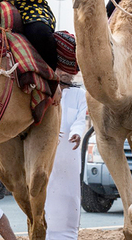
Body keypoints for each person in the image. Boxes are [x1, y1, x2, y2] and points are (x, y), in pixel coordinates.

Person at [44, 71, 88, 239]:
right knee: (47, 190)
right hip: (47, 151)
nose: (65, 74)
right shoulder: (46, 90)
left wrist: (77, 133)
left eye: (70, 72)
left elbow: (80, 119)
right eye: (61, 70)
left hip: (69, 151)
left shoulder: (79, 94)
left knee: (69, 194)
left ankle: (69, 234)